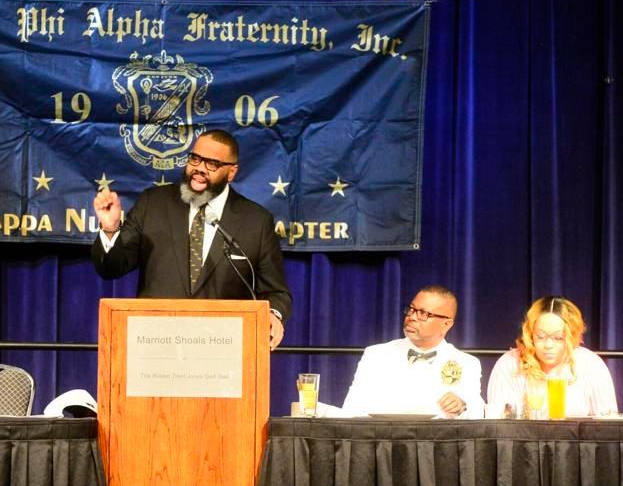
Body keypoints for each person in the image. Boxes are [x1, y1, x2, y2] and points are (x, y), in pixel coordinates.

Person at [91, 129, 292, 349]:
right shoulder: (153, 204)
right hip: (156, 346)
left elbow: (275, 291)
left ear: (231, 172)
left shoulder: (256, 221)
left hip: (222, 349)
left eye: (211, 164)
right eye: (195, 159)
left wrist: (273, 314)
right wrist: (110, 230)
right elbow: (112, 268)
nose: (199, 169)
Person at [342, 285, 484, 418]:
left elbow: (477, 414)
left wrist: (461, 406)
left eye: (423, 313)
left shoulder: (467, 363)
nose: (412, 317)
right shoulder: (377, 355)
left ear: (446, 324)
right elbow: (352, 409)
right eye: (411, 309)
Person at [487, 296, 617, 417]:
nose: (548, 345)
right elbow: (498, 426)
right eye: (541, 336)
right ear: (530, 334)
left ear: (572, 336)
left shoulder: (591, 365)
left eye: (558, 338)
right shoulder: (509, 364)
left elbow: (606, 426)